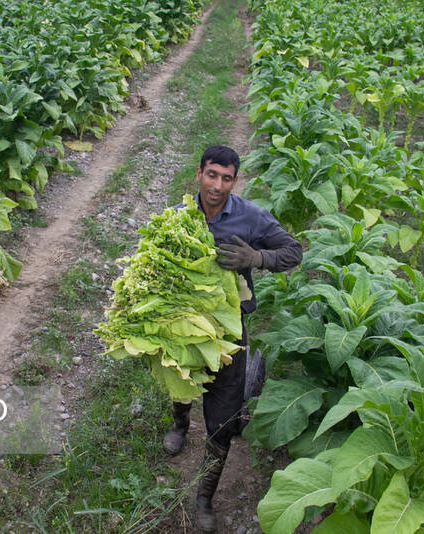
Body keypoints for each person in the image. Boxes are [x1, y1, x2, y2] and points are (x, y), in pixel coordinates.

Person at [166, 145, 302, 532]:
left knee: (223, 415)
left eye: (227, 178)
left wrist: (256, 259)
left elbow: (293, 252)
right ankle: (178, 424)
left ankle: (205, 497)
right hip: (183, 324)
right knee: (180, 382)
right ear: (199, 174)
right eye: (212, 175)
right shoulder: (177, 218)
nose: (218, 185)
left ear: (234, 180)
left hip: (229, 328)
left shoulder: (249, 217)